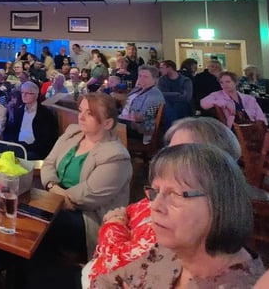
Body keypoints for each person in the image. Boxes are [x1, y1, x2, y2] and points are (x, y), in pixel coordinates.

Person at [85, 116, 243, 287]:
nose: (167, 159)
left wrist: (114, 224)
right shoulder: (160, 196)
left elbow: (114, 263)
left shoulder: (177, 226)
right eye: (169, 149)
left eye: (180, 153)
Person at [36, 92, 132, 270]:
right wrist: (52, 186)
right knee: (21, 215)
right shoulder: (73, 132)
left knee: (39, 225)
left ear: (107, 123)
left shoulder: (116, 156)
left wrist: (52, 195)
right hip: (57, 199)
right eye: (81, 110)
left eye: (90, 113)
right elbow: (48, 163)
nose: (81, 116)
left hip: (88, 218)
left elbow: (86, 197)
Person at [3, 81, 58, 159]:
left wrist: (25, 147)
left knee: (27, 156)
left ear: (36, 95)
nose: (24, 95)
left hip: (35, 150)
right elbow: (10, 131)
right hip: (17, 146)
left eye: (28, 93)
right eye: (22, 92)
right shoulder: (18, 111)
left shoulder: (45, 114)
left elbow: (45, 141)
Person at [200, 70, 268, 127]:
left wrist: (262, 126)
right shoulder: (217, 95)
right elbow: (203, 103)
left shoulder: (249, 98)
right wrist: (225, 104)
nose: (224, 85)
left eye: (228, 82)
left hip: (252, 127)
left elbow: (260, 116)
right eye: (221, 82)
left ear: (236, 83)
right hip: (234, 129)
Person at [118, 65, 165, 144]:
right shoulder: (138, 89)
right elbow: (125, 105)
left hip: (139, 129)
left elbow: (141, 117)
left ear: (154, 80)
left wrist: (122, 116)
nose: (141, 78)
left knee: (109, 124)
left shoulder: (154, 94)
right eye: (140, 76)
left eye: (145, 76)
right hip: (126, 122)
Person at [157, 60, 193, 132]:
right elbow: (160, 94)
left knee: (178, 106)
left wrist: (168, 96)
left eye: (161, 67)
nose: (159, 70)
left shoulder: (185, 80)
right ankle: (173, 134)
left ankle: (172, 134)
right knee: (168, 106)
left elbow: (187, 97)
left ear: (169, 68)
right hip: (167, 105)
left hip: (183, 106)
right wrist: (177, 94)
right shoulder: (162, 80)